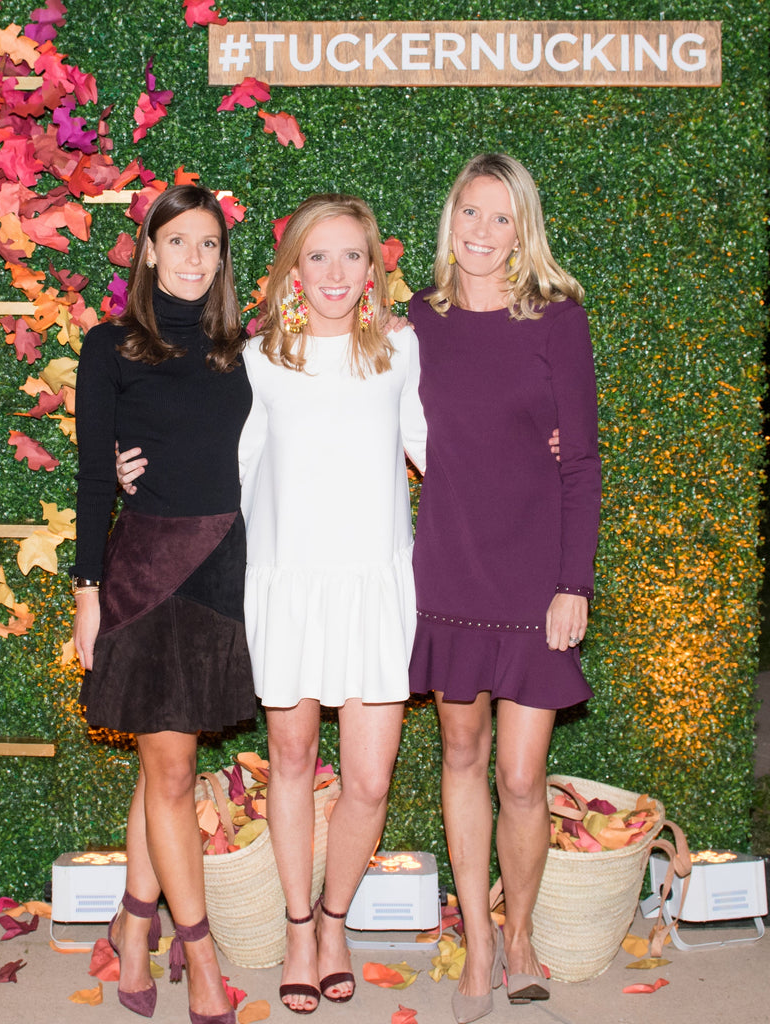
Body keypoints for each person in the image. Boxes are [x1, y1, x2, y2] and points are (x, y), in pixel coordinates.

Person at [121, 193, 427, 1015]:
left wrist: (533, 454)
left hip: (373, 587)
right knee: (291, 763)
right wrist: (129, 462)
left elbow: (444, 453)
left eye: (351, 257)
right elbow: (213, 452)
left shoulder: (402, 353)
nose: (333, 273)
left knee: (367, 779)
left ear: (373, 272)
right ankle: (299, 929)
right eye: (316, 257)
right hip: (287, 584)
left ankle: (335, 920)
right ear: (292, 266)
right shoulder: (257, 360)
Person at [407, 153, 601, 1024]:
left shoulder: (557, 320)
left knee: (523, 776)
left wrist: (574, 582)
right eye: (468, 215)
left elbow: (583, 461)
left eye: (499, 218)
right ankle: (479, 945)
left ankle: (519, 932)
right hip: (448, 566)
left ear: (523, 231)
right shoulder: (417, 320)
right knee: (460, 753)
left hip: (533, 577)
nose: (481, 234)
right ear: (450, 221)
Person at [72, 184, 254, 1024]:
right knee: (174, 768)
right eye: (176, 241)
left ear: (222, 258)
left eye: (208, 245)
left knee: (164, 765)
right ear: (147, 251)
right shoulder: (108, 347)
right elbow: (88, 480)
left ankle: (134, 923)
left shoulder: (242, 352)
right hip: (145, 571)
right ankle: (203, 957)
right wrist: (86, 594)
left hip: (221, 569)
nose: (192, 258)